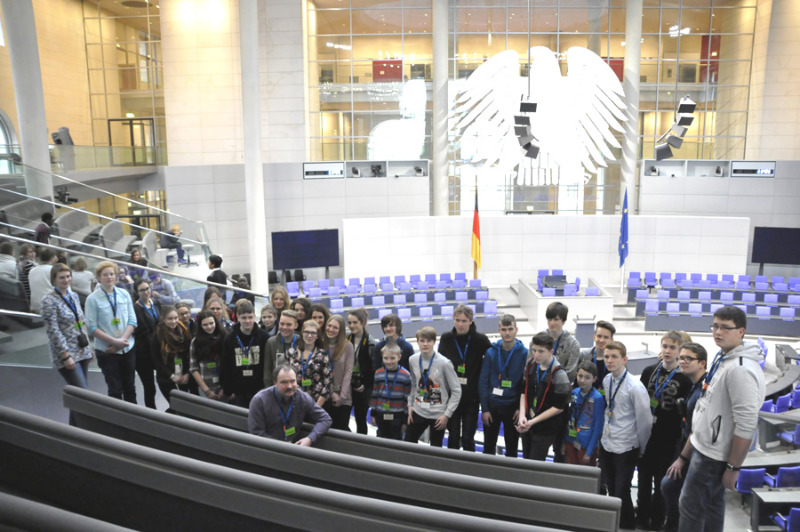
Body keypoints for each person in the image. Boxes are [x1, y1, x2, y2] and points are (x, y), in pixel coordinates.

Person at [678, 306, 765, 532]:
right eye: (715, 326)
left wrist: (733, 467)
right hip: (706, 448)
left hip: (713, 456)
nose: (718, 332)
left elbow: (747, 423)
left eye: (725, 328)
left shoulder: (740, 370)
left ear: (741, 332)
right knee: (712, 507)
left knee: (690, 508)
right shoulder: (725, 357)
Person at [637, 330, 694, 530]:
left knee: (661, 484)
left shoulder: (686, 380)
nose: (667, 350)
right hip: (646, 437)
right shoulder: (648, 371)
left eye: (672, 347)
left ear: (680, 351)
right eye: (665, 346)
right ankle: (641, 518)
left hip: (668, 441)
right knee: (643, 482)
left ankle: (657, 520)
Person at [599, 340, 652, 530]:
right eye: (606, 356)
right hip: (607, 443)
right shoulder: (607, 380)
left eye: (614, 357)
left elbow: (644, 421)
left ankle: (627, 525)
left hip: (626, 446)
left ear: (625, 359)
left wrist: (642, 448)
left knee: (622, 490)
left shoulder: (635, 388)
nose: (609, 360)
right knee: (610, 487)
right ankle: (613, 524)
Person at [662, 342, 708, 532]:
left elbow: (696, 431)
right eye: (681, 358)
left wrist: (682, 458)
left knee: (671, 487)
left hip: (695, 454)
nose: (683, 361)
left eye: (689, 358)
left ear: (702, 363)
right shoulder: (694, 384)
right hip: (685, 447)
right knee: (670, 487)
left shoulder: (702, 392)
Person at [40, 263, 93, 425]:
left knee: (77, 396)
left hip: (81, 349)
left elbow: (81, 321)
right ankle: (82, 429)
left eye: (68, 276)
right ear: (54, 280)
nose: (66, 280)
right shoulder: (48, 301)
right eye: (61, 277)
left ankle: (74, 430)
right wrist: (65, 355)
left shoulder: (73, 295)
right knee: (82, 394)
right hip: (66, 354)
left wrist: (88, 346)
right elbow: (53, 331)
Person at [438, 304, 490, 452]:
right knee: (453, 438)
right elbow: (440, 365)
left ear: (471, 321)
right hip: (452, 398)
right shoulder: (446, 338)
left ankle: (469, 472)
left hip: (471, 398)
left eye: (464, 321)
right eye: (457, 320)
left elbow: (492, 359)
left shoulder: (480, 340)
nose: (460, 324)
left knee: (468, 438)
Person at [85, 261, 137, 403]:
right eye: (105, 274)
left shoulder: (124, 294)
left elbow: (132, 320)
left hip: (127, 348)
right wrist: (114, 342)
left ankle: (135, 420)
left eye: (111, 274)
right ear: (99, 277)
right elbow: (91, 327)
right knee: (115, 390)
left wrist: (122, 342)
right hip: (107, 351)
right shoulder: (92, 299)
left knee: (130, 387)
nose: (109, 277)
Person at [478, 314, 527, 457]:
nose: (507, 333)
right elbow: (483, 382)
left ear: (516, 330)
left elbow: (525, 384)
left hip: (513, 409)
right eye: (504, 329)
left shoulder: (524, 353)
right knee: (488, 448)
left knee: (512, 449)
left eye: (510, 329)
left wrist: (520, 408)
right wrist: (485, 409)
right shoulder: (491, 352)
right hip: (493, 407)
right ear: (499, 330)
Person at [517, 332, 571, 460]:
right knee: (526, 460)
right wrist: (522, 415)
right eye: (534, 350)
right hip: (529, 421)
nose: (536, 354)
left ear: (551, 351)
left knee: (535, 463)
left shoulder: (559, 374)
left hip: (546, 426)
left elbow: (559, 407)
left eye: (541, 351)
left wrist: (532, 421)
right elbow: (523, 391)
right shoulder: (530, 365)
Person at [405, 326, 462, 447]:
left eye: (429, 341)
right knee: (408, 443)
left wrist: (447, 414)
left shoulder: (444, 363)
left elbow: (456, 390)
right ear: (417, 341)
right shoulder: (412, 360)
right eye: (422, 341)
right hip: (419, 410)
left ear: (434, 342)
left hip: (438, 415)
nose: (425, 344)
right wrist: (410, 404)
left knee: (436, 449)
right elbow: (414, 384)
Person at [248, 365, 332, 446]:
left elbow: (325, 419)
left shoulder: (303, 398)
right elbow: (257, 434)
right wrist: (282, 447)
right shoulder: (259, 400)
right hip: (267, 450)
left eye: (292, 381)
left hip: (293, 449)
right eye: (284, 382)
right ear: (275, 382)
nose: (289, 386)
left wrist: (310, 439)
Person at [219, 299, 270, 407]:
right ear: (237, 317)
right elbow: (225, 365)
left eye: (250, 317)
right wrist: (228, 390)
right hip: (238, 391)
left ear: (255, 316)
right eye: (244, 318)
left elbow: (268, 364)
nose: (247, 321)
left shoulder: (264, 337)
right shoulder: (230, 339)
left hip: (259, 389)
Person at [563, 361, 605, 466]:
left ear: (594, 379)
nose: (582, 380)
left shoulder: (597, 398)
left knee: (584, 476)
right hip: (571, 440)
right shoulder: (574, 393)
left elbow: (598, 427)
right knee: (571, 473)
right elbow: (569, 418)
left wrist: (589, 452)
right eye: (580, 376)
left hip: (586, 445)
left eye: (587, 377)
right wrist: (564, 442)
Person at [152, 305, 192, 406]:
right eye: (170, 318)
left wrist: (187, 373)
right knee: (175, 405)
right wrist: (172, 376)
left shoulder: (184, 332)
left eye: (175, 318)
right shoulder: (157, 336)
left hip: (184, 375)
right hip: (166, 377)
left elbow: (189, 355)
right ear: (163, 319)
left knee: (186, 405)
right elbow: (156, 361)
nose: (174, 321)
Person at [370, 343, 412, 440]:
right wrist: (373, 414)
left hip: (397, 415)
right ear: (382, 358)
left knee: (396, 440)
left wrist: (405, 421)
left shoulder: (406, 375)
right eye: (386, 358)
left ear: (399, 357)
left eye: (392, 358)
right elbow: (375, 395)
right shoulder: (378, 373)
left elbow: (407, 399)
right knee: (381, 438)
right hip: (381, 413)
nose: (389, 361)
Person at [287, 319, 332, 407]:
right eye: (306, 332)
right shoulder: (291, 353)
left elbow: (327, 383)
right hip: (294, 403)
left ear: (317, 336)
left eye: (313, 333)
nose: (309, 335)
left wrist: (316, 407)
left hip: (315, 404)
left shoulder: (322, 355)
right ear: (302, 333)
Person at [132, 278, 161, 409]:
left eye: (147, 289)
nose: (146, 292)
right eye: (142, 290)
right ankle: (151, 412)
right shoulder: (135, 308)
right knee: (149, 386)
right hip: (143, 353)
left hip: (158, 349)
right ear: (137, 292)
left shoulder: (155, 303)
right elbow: (143, 332)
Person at [347, 308, 375, 435]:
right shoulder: (346, 340)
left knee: (360, 420)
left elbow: (372, 368)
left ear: (362, 323)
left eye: (355, 322)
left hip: (363, 388)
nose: (352, 326)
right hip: (347, 386)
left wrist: (365, 384)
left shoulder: (370, 342)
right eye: (349, 323)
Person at [324, 314, 354, 430]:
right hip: (325, 395)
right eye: (329, 326)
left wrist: (342, 396)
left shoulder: (348, 346)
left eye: (335, 327)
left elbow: (348, 372)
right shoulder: (321, 344)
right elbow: (321, 373)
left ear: (341, 330)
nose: (331, 329)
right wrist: (332, 393)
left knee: (342, 429)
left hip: (343, 396)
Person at [189, 309, 226, 400]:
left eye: (211, 323)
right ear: (200, 326)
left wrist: (225, 388)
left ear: (216, 322)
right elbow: (193, 368)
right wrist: (207, 390)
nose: (209, 327)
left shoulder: (225, 337)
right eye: (205, 325)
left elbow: (231, 365)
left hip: (224, 386)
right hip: (205, 387)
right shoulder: (196, 342)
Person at [263, 309, 299, 386]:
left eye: (289, 324)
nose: (284, 327)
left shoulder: (301, 342)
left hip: (297, 387)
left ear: (295, 325)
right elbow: (267, 371)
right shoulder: (271, 342)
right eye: (282, 324)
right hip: (277, 388)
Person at [579, 320, 615, 390]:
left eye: (606, 337)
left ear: (611, 340)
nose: (601, 340)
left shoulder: (616, 359)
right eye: (599, 336)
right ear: (594, 337)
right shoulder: (583, 356)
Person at [29, 247, 59, 313]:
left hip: (35, 308)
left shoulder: (32, 271)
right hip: (50, 309)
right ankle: (79, 324)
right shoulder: (54, 270)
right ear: (52, 258)